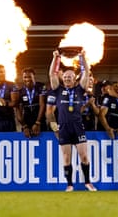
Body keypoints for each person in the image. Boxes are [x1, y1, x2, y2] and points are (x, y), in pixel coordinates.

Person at [48, 49, 97, 192]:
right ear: (62, 78)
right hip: (63, 127)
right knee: (66, 158)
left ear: (75, 78)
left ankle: (88, 182)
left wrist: (82, 57)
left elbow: (86, 73)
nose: (68, 79)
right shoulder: (57, 90)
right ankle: (69, 185)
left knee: (84, 156)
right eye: (66, 77)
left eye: (70, 77)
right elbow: (52, 73)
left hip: (78, 127)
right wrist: (56, 58)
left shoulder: (80, 90)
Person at [16, 67, 48, 138]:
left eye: (29, 77)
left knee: (42, 142)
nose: (27, 79)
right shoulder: (20, 91)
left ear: (34, 76)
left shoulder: (41, 87)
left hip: (40, 121)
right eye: (25, 77)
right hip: (27, 122)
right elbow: (18, 111)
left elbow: (42, 105)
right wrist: (24, 126)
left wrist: (37, 123)